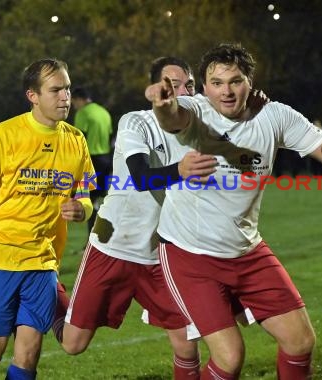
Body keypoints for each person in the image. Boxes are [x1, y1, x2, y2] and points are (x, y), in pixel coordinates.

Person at [145, 43, 322, 379]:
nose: (226, 91)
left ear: (250, 82)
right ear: (203, 88)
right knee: (229, 357)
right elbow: (172, 117)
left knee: (300, 341)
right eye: (217, 83)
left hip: (246, 250)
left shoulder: (273, 115)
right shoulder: (194, 110)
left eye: (235, 81)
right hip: (190, 256)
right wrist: (163, 104)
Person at [52, 56, 219, 379]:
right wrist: (182, 170)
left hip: (162, 254)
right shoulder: (135, 121)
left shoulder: (200, 125)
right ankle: (51, 292)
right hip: (112, 244)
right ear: (155, 89)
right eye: (173, 84)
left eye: (189, 84)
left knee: (186, 342)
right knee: (73, 344)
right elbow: (141, 177)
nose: (183, 90)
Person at [0, 58, 95, 380]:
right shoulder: (5, 135)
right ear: (33, 96)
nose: (65, 96)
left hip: (42, 265)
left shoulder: (76, 140)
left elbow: (86, 195)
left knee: (28, 355)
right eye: (55, 90)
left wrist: (83, 209)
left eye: (66, 88)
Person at [71, 87, 114, 235]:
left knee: (86, 200)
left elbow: (79, 137)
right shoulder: (104, 112)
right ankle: (97, 239)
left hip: (91, 161)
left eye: (74, 102)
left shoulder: (83, 113)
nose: (74, 106)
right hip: (106, 159)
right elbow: (109, 135)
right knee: (97, 201)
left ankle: (92, 241)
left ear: (80, 100)